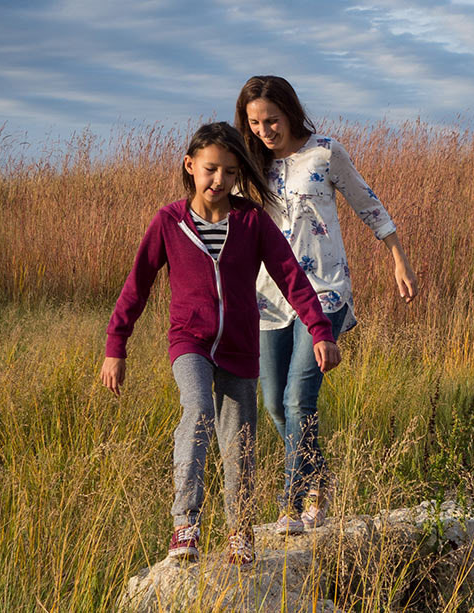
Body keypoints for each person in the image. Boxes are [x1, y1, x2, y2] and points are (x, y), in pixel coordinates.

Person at [99, 122, 341, 566]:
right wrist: (117, 345)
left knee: (239, 440)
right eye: (211, 170)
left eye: (230, 172)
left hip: (240, 346)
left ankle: (240, 530)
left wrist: (320, 329)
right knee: (198, 410)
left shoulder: (251, 221)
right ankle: (185, 524)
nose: (219, 180)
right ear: (190, 166)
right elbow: (137, 287)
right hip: (189, 340)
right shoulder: (169, 222)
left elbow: (291, 276)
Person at [234, 76, 417, 532]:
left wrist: (398, 258)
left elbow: (367, 203)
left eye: (272, 120)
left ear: (290, 112)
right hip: (268, 296)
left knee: (299, 396)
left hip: (324, 288)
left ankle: (290, 506)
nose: (264, 131)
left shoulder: (326, 152)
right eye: (255, 123)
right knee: (274, 404)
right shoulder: (248, 166)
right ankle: (319, 483)